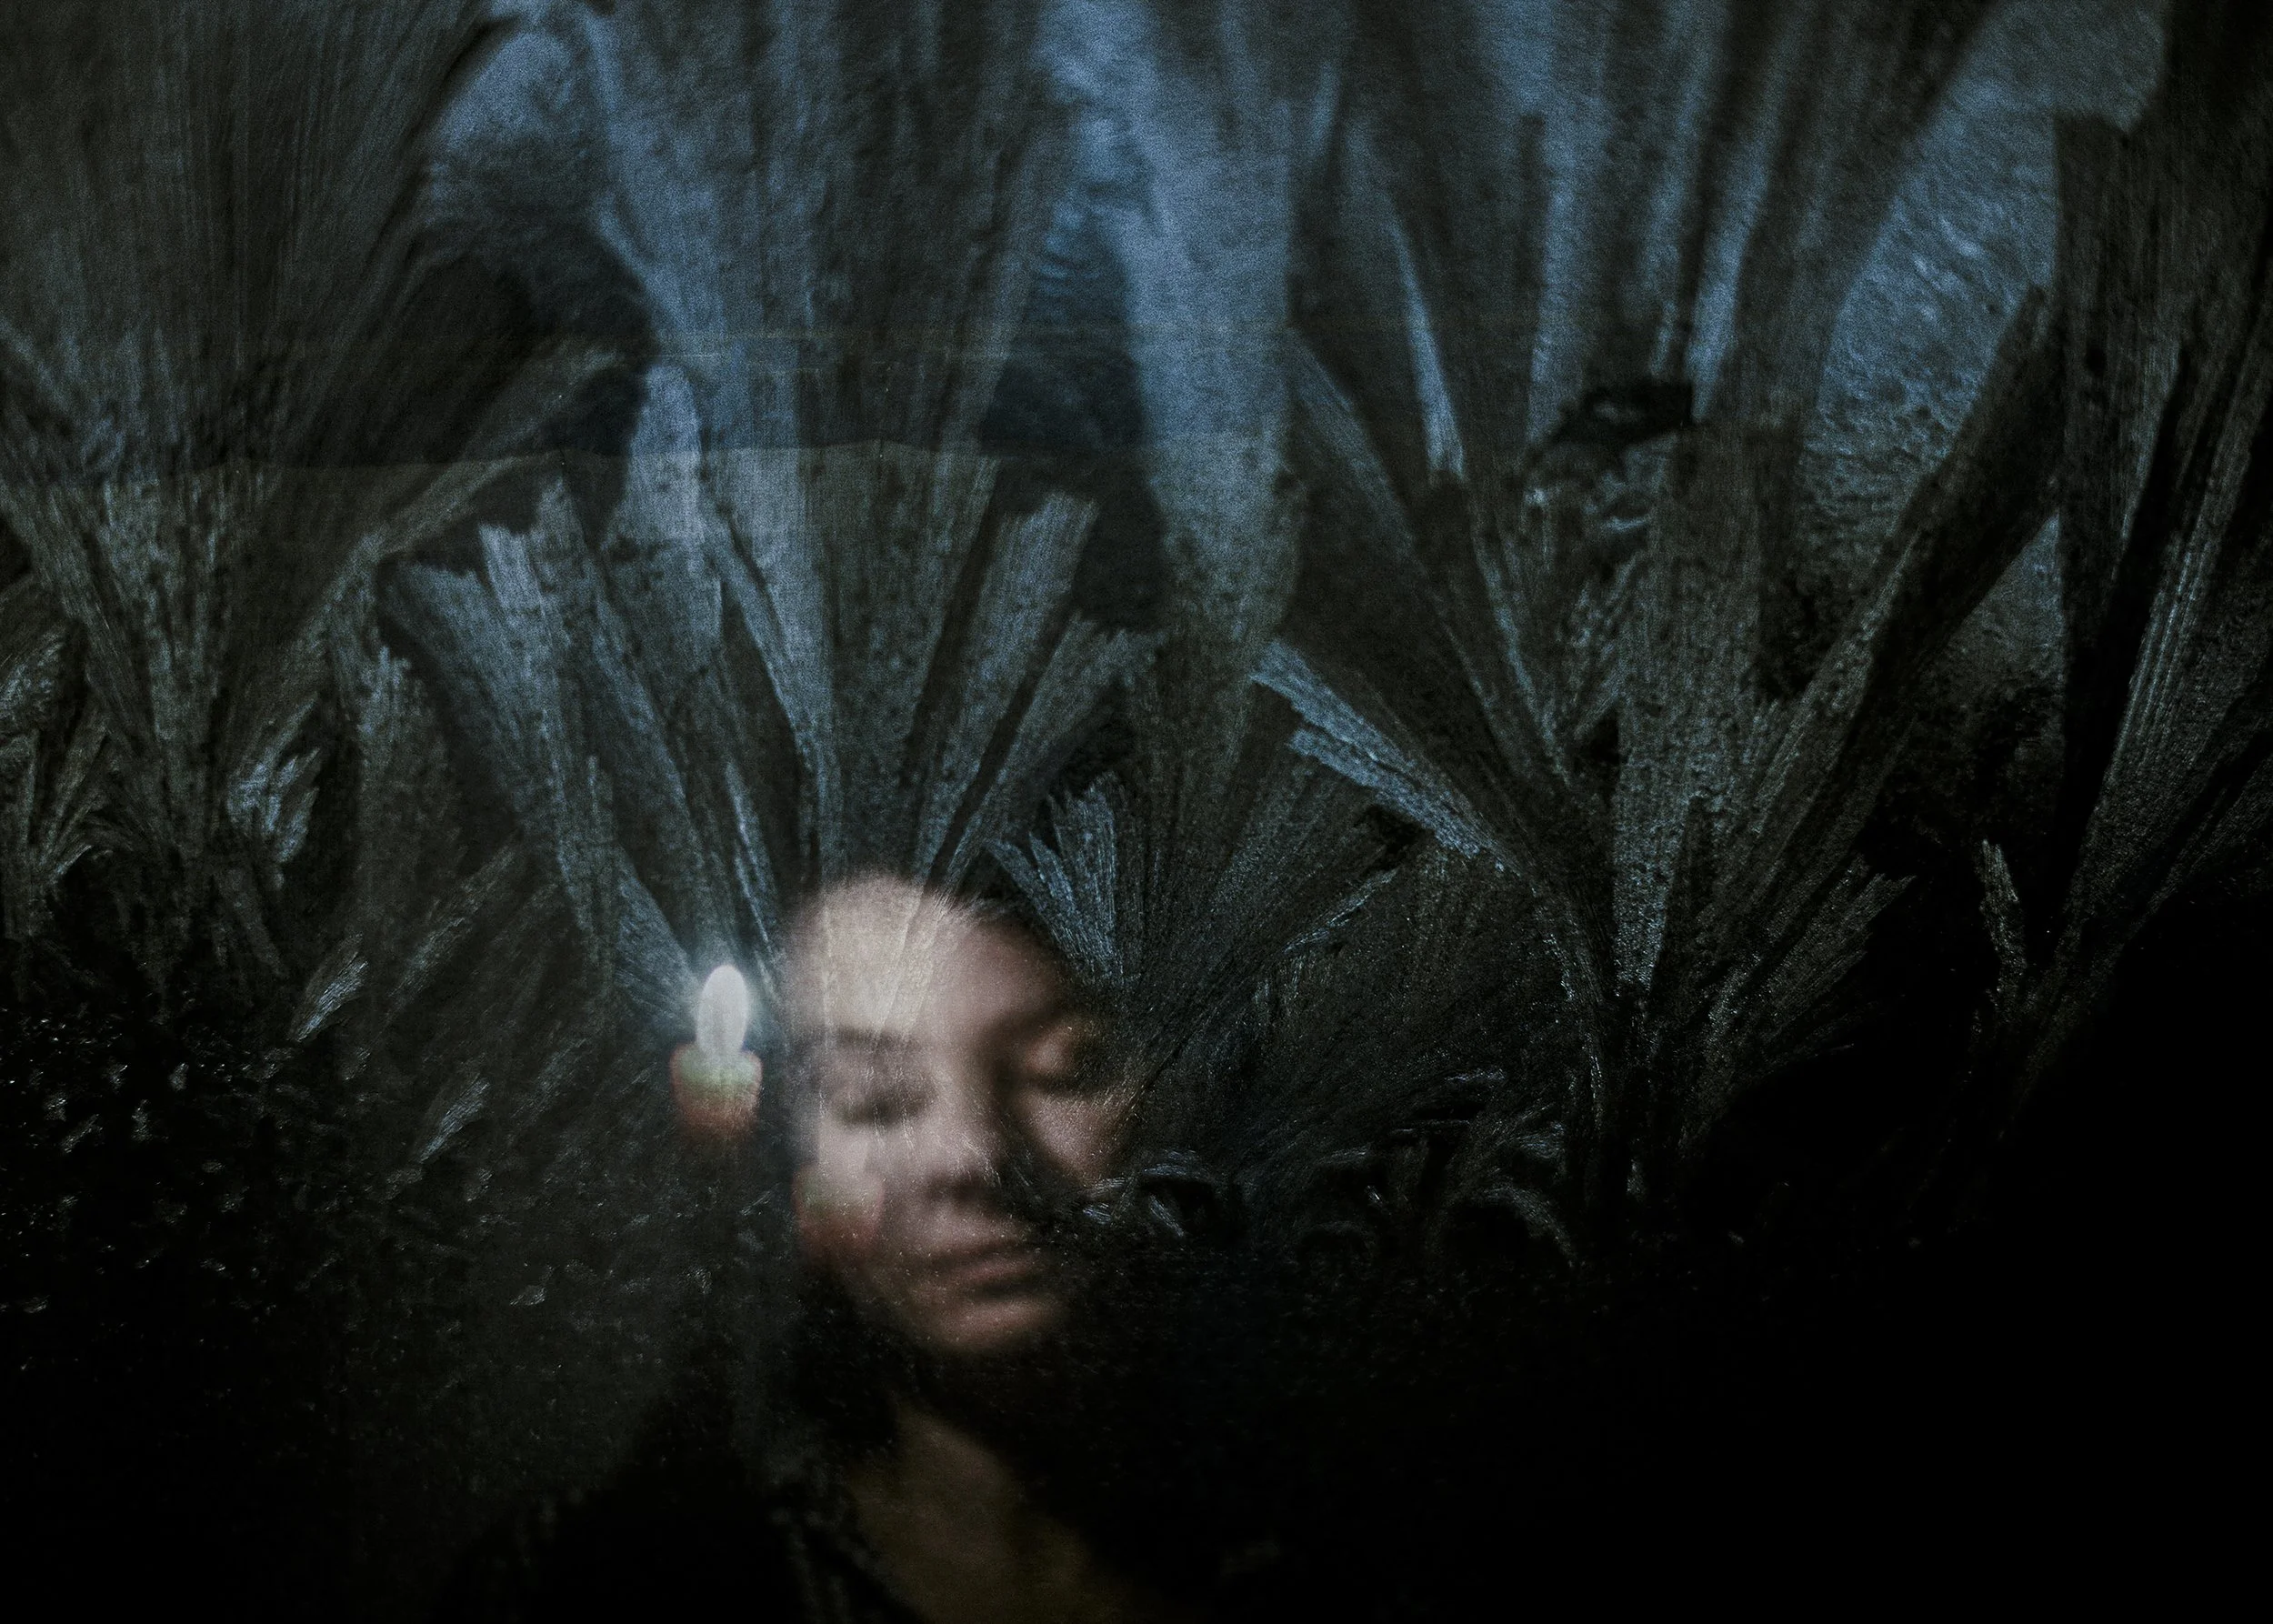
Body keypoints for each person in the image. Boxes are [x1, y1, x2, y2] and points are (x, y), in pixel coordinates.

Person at [436, 875, 1200, 1623]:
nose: (969, 1156)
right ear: (780, 1156)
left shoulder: (1298, 1569)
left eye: (1069, 1067)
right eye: (865, 1092)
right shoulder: (577, 1582)